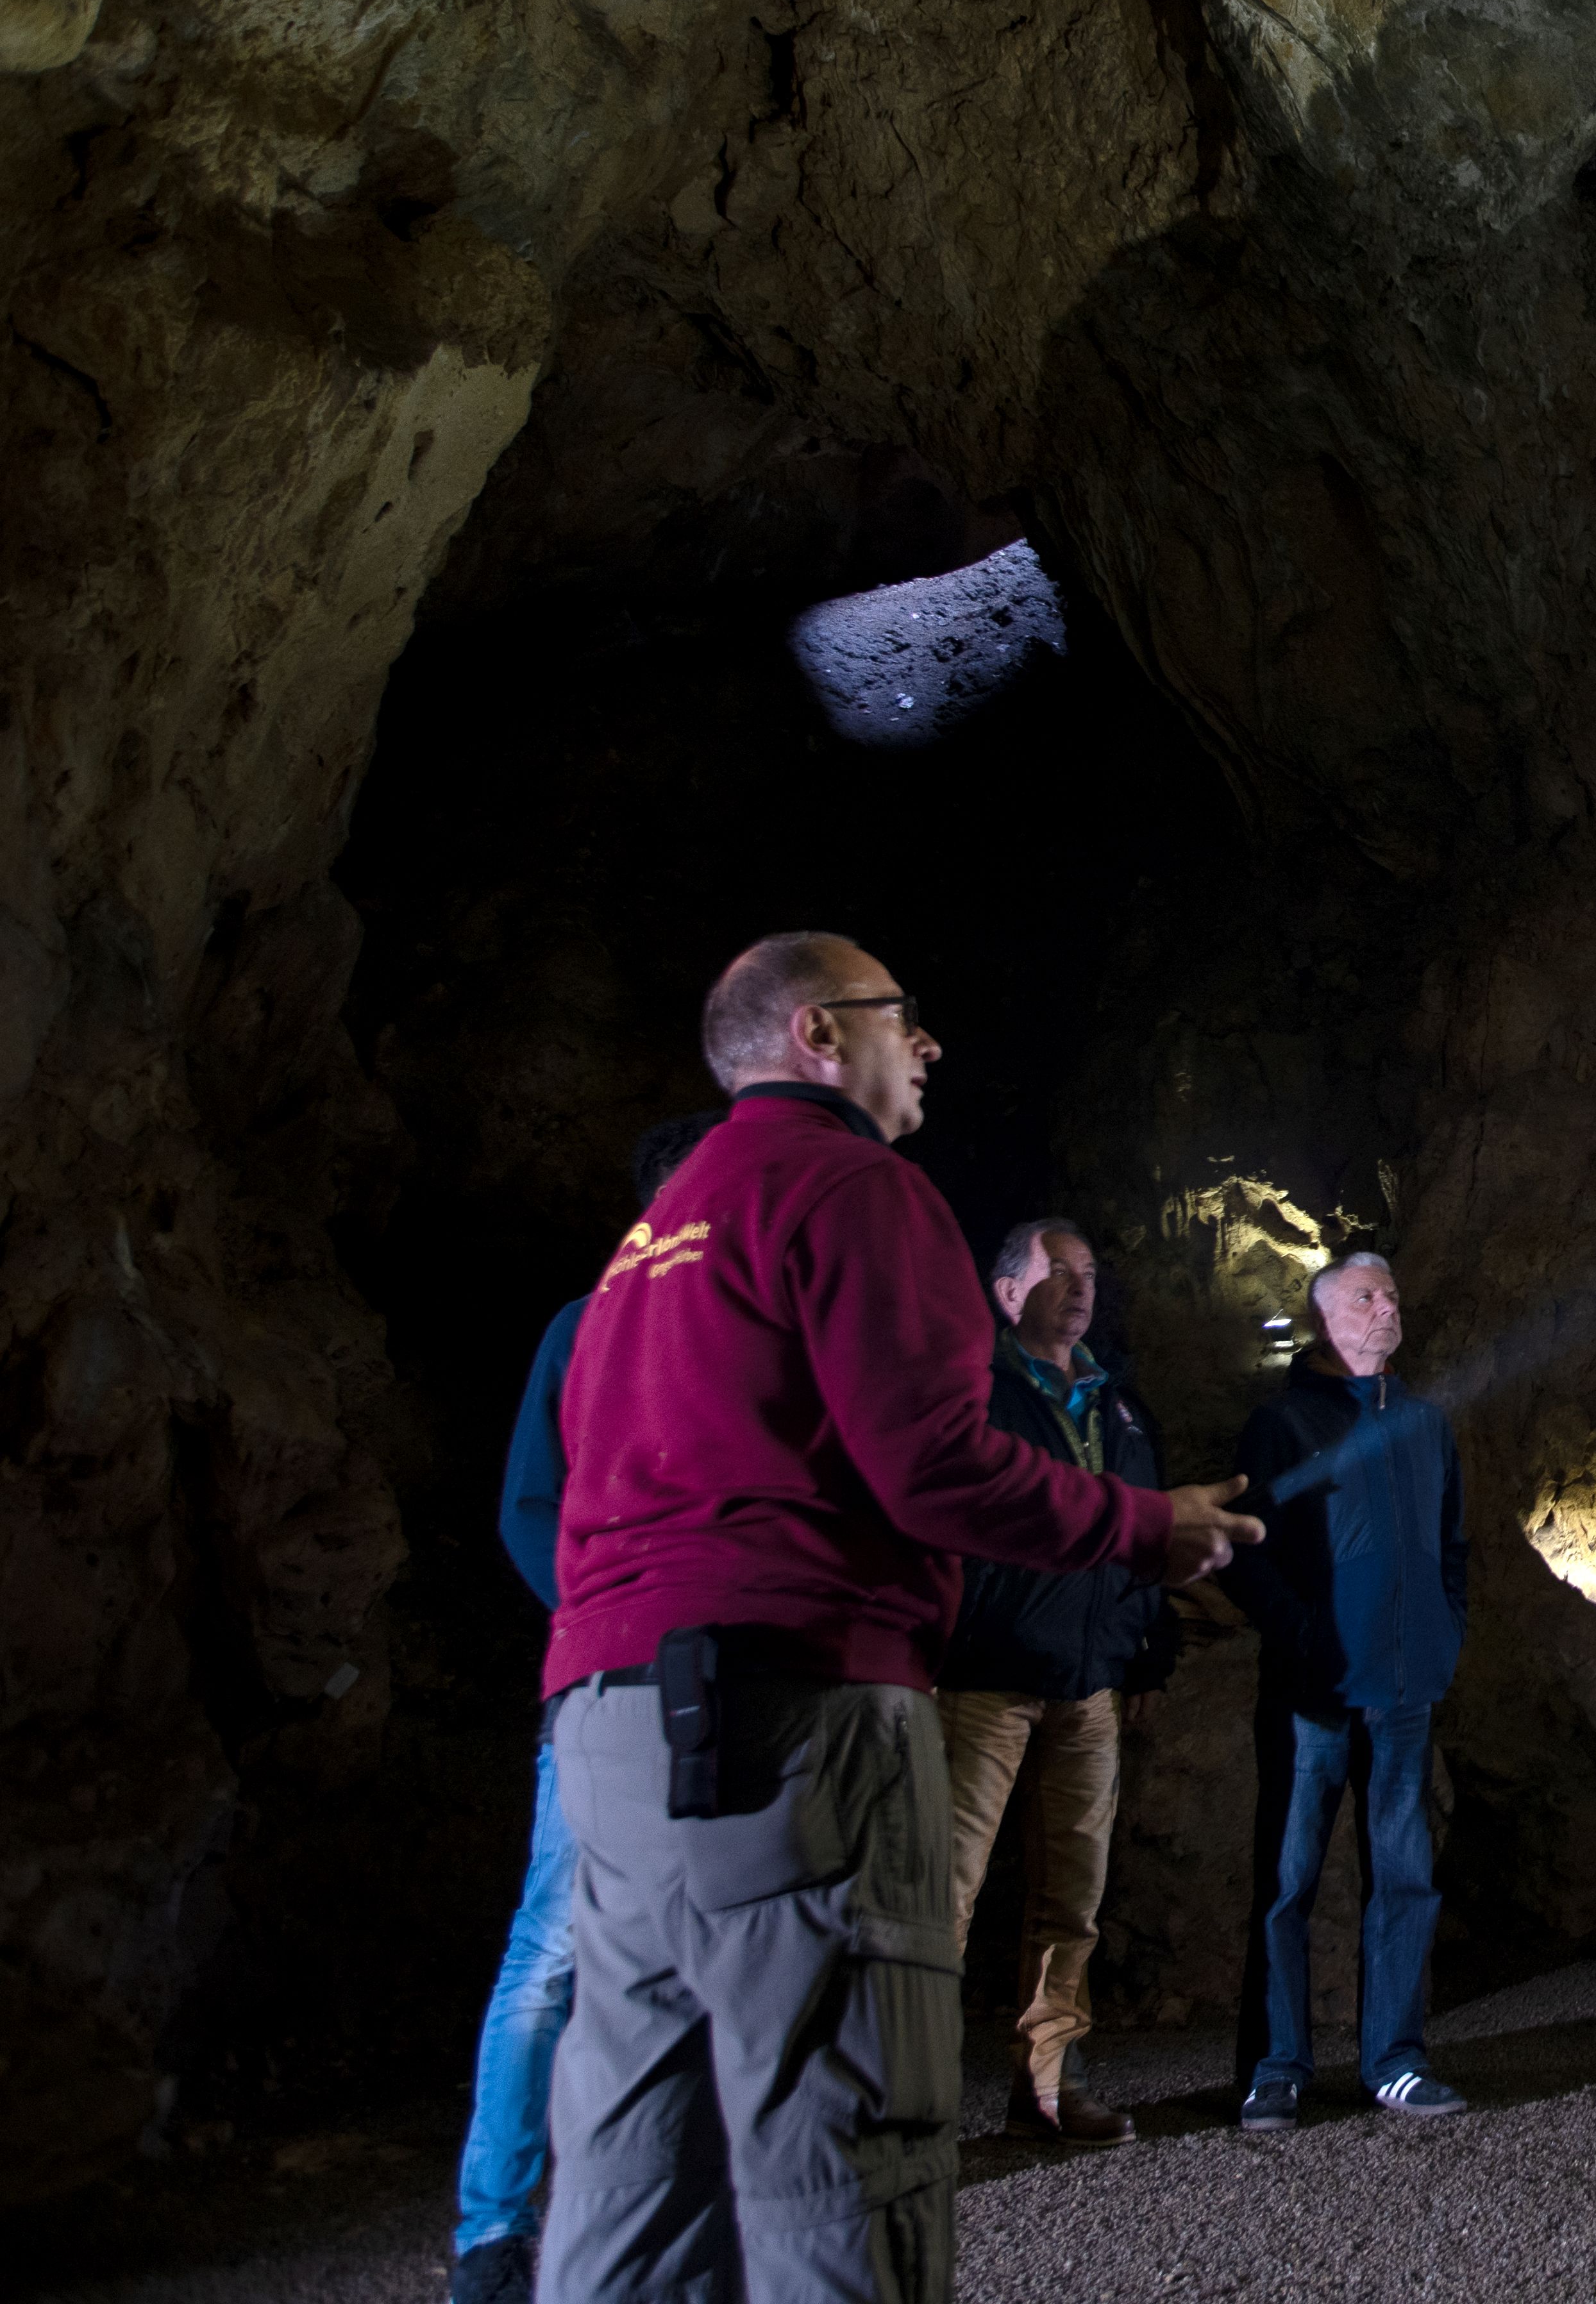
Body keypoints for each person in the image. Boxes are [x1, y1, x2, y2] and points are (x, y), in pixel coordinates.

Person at [537, 932, 1259, 2304]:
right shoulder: (855, 1186)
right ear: (818, 1034)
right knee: (844, 2159)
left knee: (635, 2174)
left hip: (614, 1727)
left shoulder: (653, 1238)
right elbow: (929, 1463)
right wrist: (1142, 1526)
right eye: (899, 1016)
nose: (927, 1044)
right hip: (792, 1716)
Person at [444, 1112, 719, 2304]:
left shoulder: (742, 1331)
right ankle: (493, 2232)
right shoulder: (588, 1325)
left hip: (727, 1678)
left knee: (712, 1949)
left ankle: (669, 2214)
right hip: (613, 1679)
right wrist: (613, 1621)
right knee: (554, 1950)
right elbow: (528, 1504)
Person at [939, 1216, 1180, 2146]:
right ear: (1007, 1293)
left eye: (1088, 1274)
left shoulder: (1120, 1408)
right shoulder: (977, 1392)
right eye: (1057, 1273)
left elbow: (1149, 1534)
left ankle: (1049, 2083)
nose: (1080, 1289)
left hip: (1087, 1685)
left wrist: (1146, 1651)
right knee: (945, 1892)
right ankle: (909, 2094)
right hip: (986, 1679)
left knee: (1073, 1898)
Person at [1224, 1251, 1472, 2128]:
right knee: (1289, 1880)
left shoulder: (1427, 1424)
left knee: (1405, 1876)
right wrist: (1304, 1637)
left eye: (1392, 1294)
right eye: (1366, 1296)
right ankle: (1274, 2067)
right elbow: (1246, 1551)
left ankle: (1395, 2058)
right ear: (1322, 1318)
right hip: (1315, 1695)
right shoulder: (1282, 1424)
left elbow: (1451, 1545)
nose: (1386, 1307)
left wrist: (1444, 1633)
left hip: (1403, 1693)